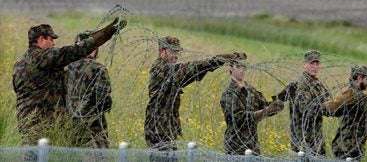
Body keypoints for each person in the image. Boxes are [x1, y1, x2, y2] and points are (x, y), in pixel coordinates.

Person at [12, 18, 126, 146]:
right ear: (40, 39)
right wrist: (108, 31)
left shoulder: (19, 64)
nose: (53, 43)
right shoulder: (44, 58)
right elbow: (75, 51)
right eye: (51, 39)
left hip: (26, 125)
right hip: (44, 127)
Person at [144, 36, 247, 153]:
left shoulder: (170, 72)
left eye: (177, 52)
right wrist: (217, 60)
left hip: (165, 129)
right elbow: (188, 69)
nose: (176, 55)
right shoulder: (160, 69)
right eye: (173, 51)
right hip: (157, 130)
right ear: (162, 51)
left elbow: (191, 74)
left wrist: (216, 62)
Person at [220, 60, 284, 155]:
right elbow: (238, 119)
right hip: (236, 147)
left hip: (253, 145)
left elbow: (264, 106)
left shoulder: (251, 90)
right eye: (238, 67)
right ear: (230, 69)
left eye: (244, 67)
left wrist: (277, 103)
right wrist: (265, 111)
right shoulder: (229, 94)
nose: (242, 70)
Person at [276, 50, 331, 156]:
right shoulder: (298, 85)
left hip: (317, 140)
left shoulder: (319, 86)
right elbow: (305, 109)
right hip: (302, 141)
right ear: (305, 65)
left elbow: (329, 108)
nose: (314, 67)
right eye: (312, 63)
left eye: (317, 63)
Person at [64, 31, 113, 148]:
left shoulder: (66, 68)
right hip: (94, 127)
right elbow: (103, 100)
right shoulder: (98, 69)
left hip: (70, 124)